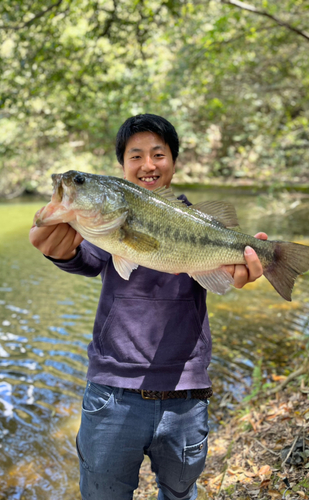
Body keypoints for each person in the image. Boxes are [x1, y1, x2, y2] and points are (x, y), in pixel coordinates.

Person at [29, 114, 267, 500]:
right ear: (122, 167)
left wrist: (245, 266)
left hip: (185, 394)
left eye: (158, 153)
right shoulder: (107, 226)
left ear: (173, 160)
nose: (148, 164)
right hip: (112, 391)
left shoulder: (196, 220)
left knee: (179, 494)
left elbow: (222, 274)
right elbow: (86, 260)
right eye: (135, 155)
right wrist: (61, 251)